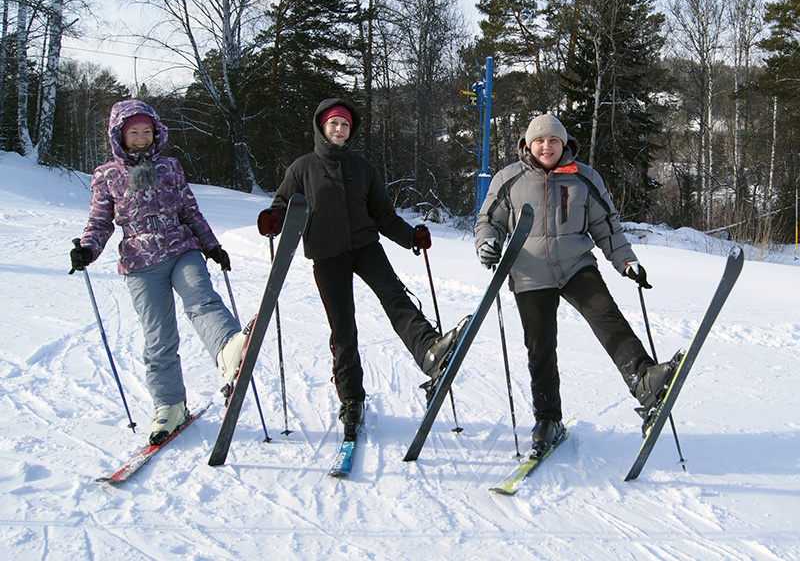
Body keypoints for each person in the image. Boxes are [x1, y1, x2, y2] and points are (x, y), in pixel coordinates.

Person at [257, 98, 468, 439]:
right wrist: (273, 221)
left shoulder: (364, 169)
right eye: (333, 124)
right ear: (322, 128)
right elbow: (284, 205)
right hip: (327, 256)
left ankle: (430, 352)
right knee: (344, 328)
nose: (339, 130)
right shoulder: (302, 168)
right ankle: (351, 398)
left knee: (396, 299)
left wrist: (411, 236)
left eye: (344, 125)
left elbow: (383, 215)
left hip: (367, 247)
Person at [474, 114, 675, 455]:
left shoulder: (584, 177)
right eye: (539, 141)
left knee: (606, 316)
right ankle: (548, 418)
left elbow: (607, 225)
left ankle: (644, 381)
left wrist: (626, 262)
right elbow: (488, 221)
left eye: (553, 140)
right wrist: (487, 244)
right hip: (528, 272)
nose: (546, 146)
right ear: (528, 144)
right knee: (540, 348)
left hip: (575, 265)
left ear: (564, 144)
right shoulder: (508, 178)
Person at [70, 100, 249, 445]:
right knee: (158, 335)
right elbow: (99, 221)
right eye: (133, 132)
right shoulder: (107, 175)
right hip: (140, 261)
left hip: (182, 248)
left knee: (202, 299)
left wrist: (211, 246)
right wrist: (88, 249)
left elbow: (190, 211)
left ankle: (229, 351)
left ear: (156, 133)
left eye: (147, 132)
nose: (141, 138)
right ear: (119, 135)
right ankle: (169, 404)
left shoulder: (170, 166)